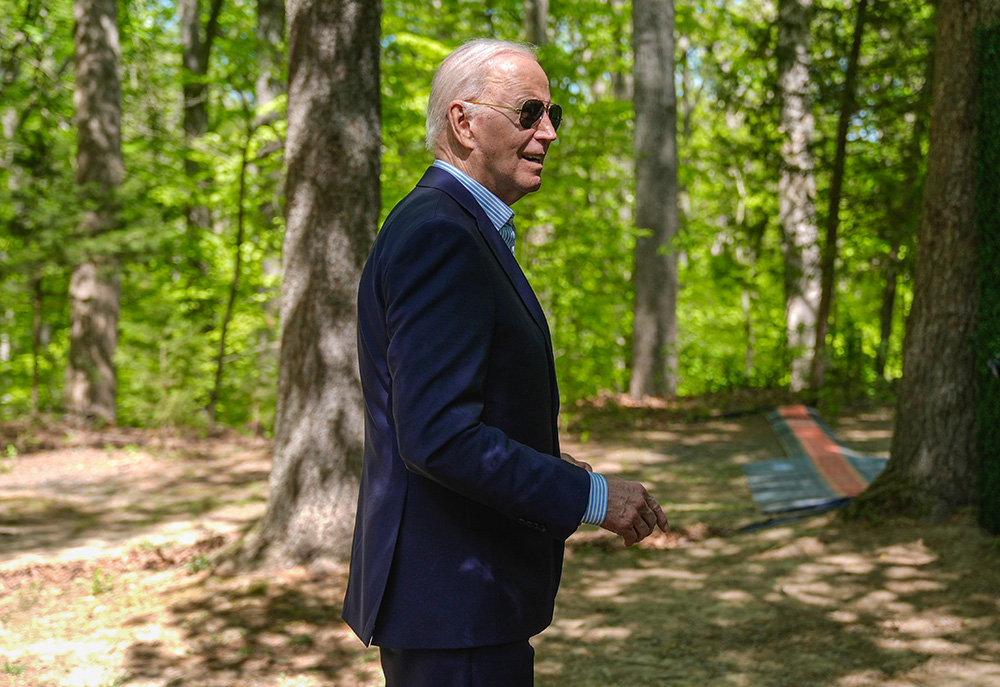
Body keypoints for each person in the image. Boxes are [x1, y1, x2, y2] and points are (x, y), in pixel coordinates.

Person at [342, 38, 669, 687]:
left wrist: (554, 467)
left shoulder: (455, 229)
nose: (547, 132)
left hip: (463, 607)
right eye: (528, 113)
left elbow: (464, 414)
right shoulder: (441, 234)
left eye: (551, 114)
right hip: (455, 608)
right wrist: (593, 497)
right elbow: (439, 436)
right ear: (463, 123)